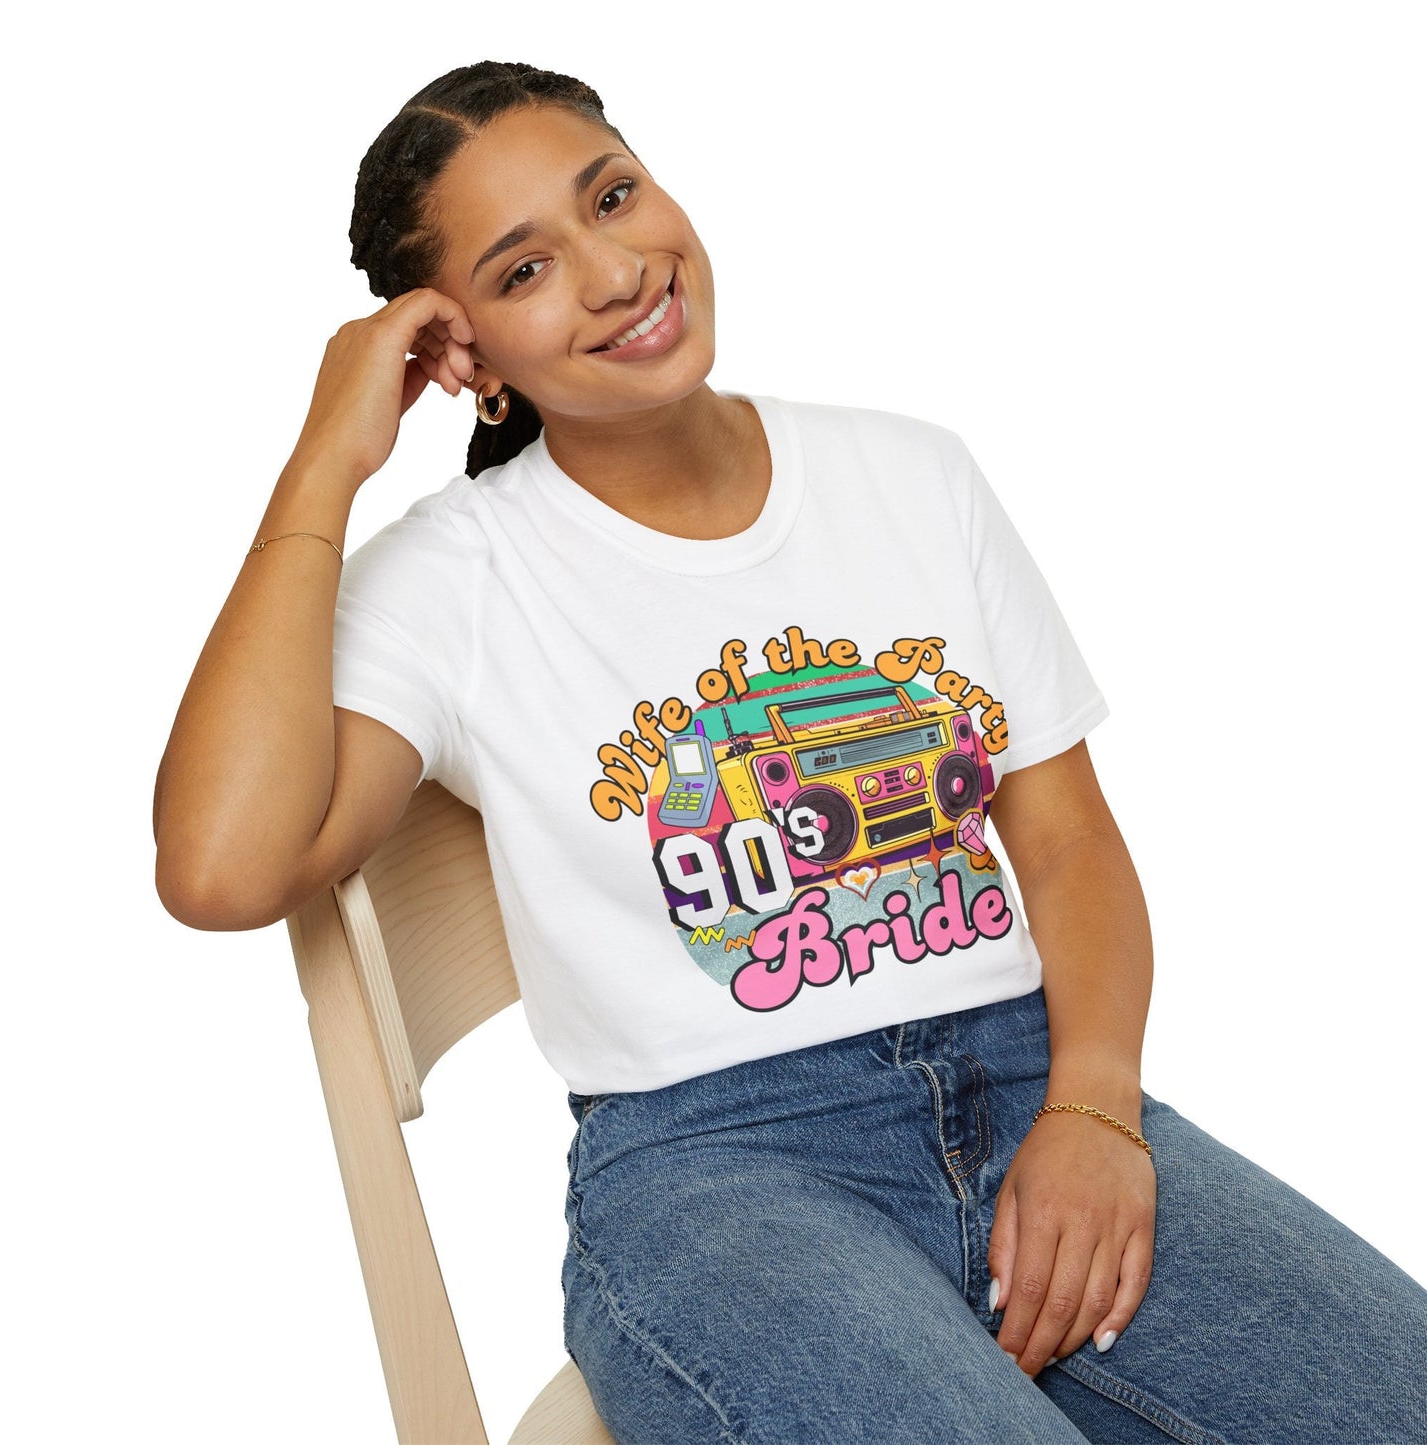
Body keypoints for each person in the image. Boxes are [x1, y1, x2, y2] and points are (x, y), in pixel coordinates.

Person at [154, 61, 1427, 1443]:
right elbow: (222, 869)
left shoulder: (914, 475)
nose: (615, 272)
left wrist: (1096, 1109)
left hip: (1031, 1083)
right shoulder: (456, 579)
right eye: (525, 270)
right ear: (466, 359)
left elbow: (1066, 844)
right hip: (716, 1173)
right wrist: (324, 463)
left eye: (612, 197)